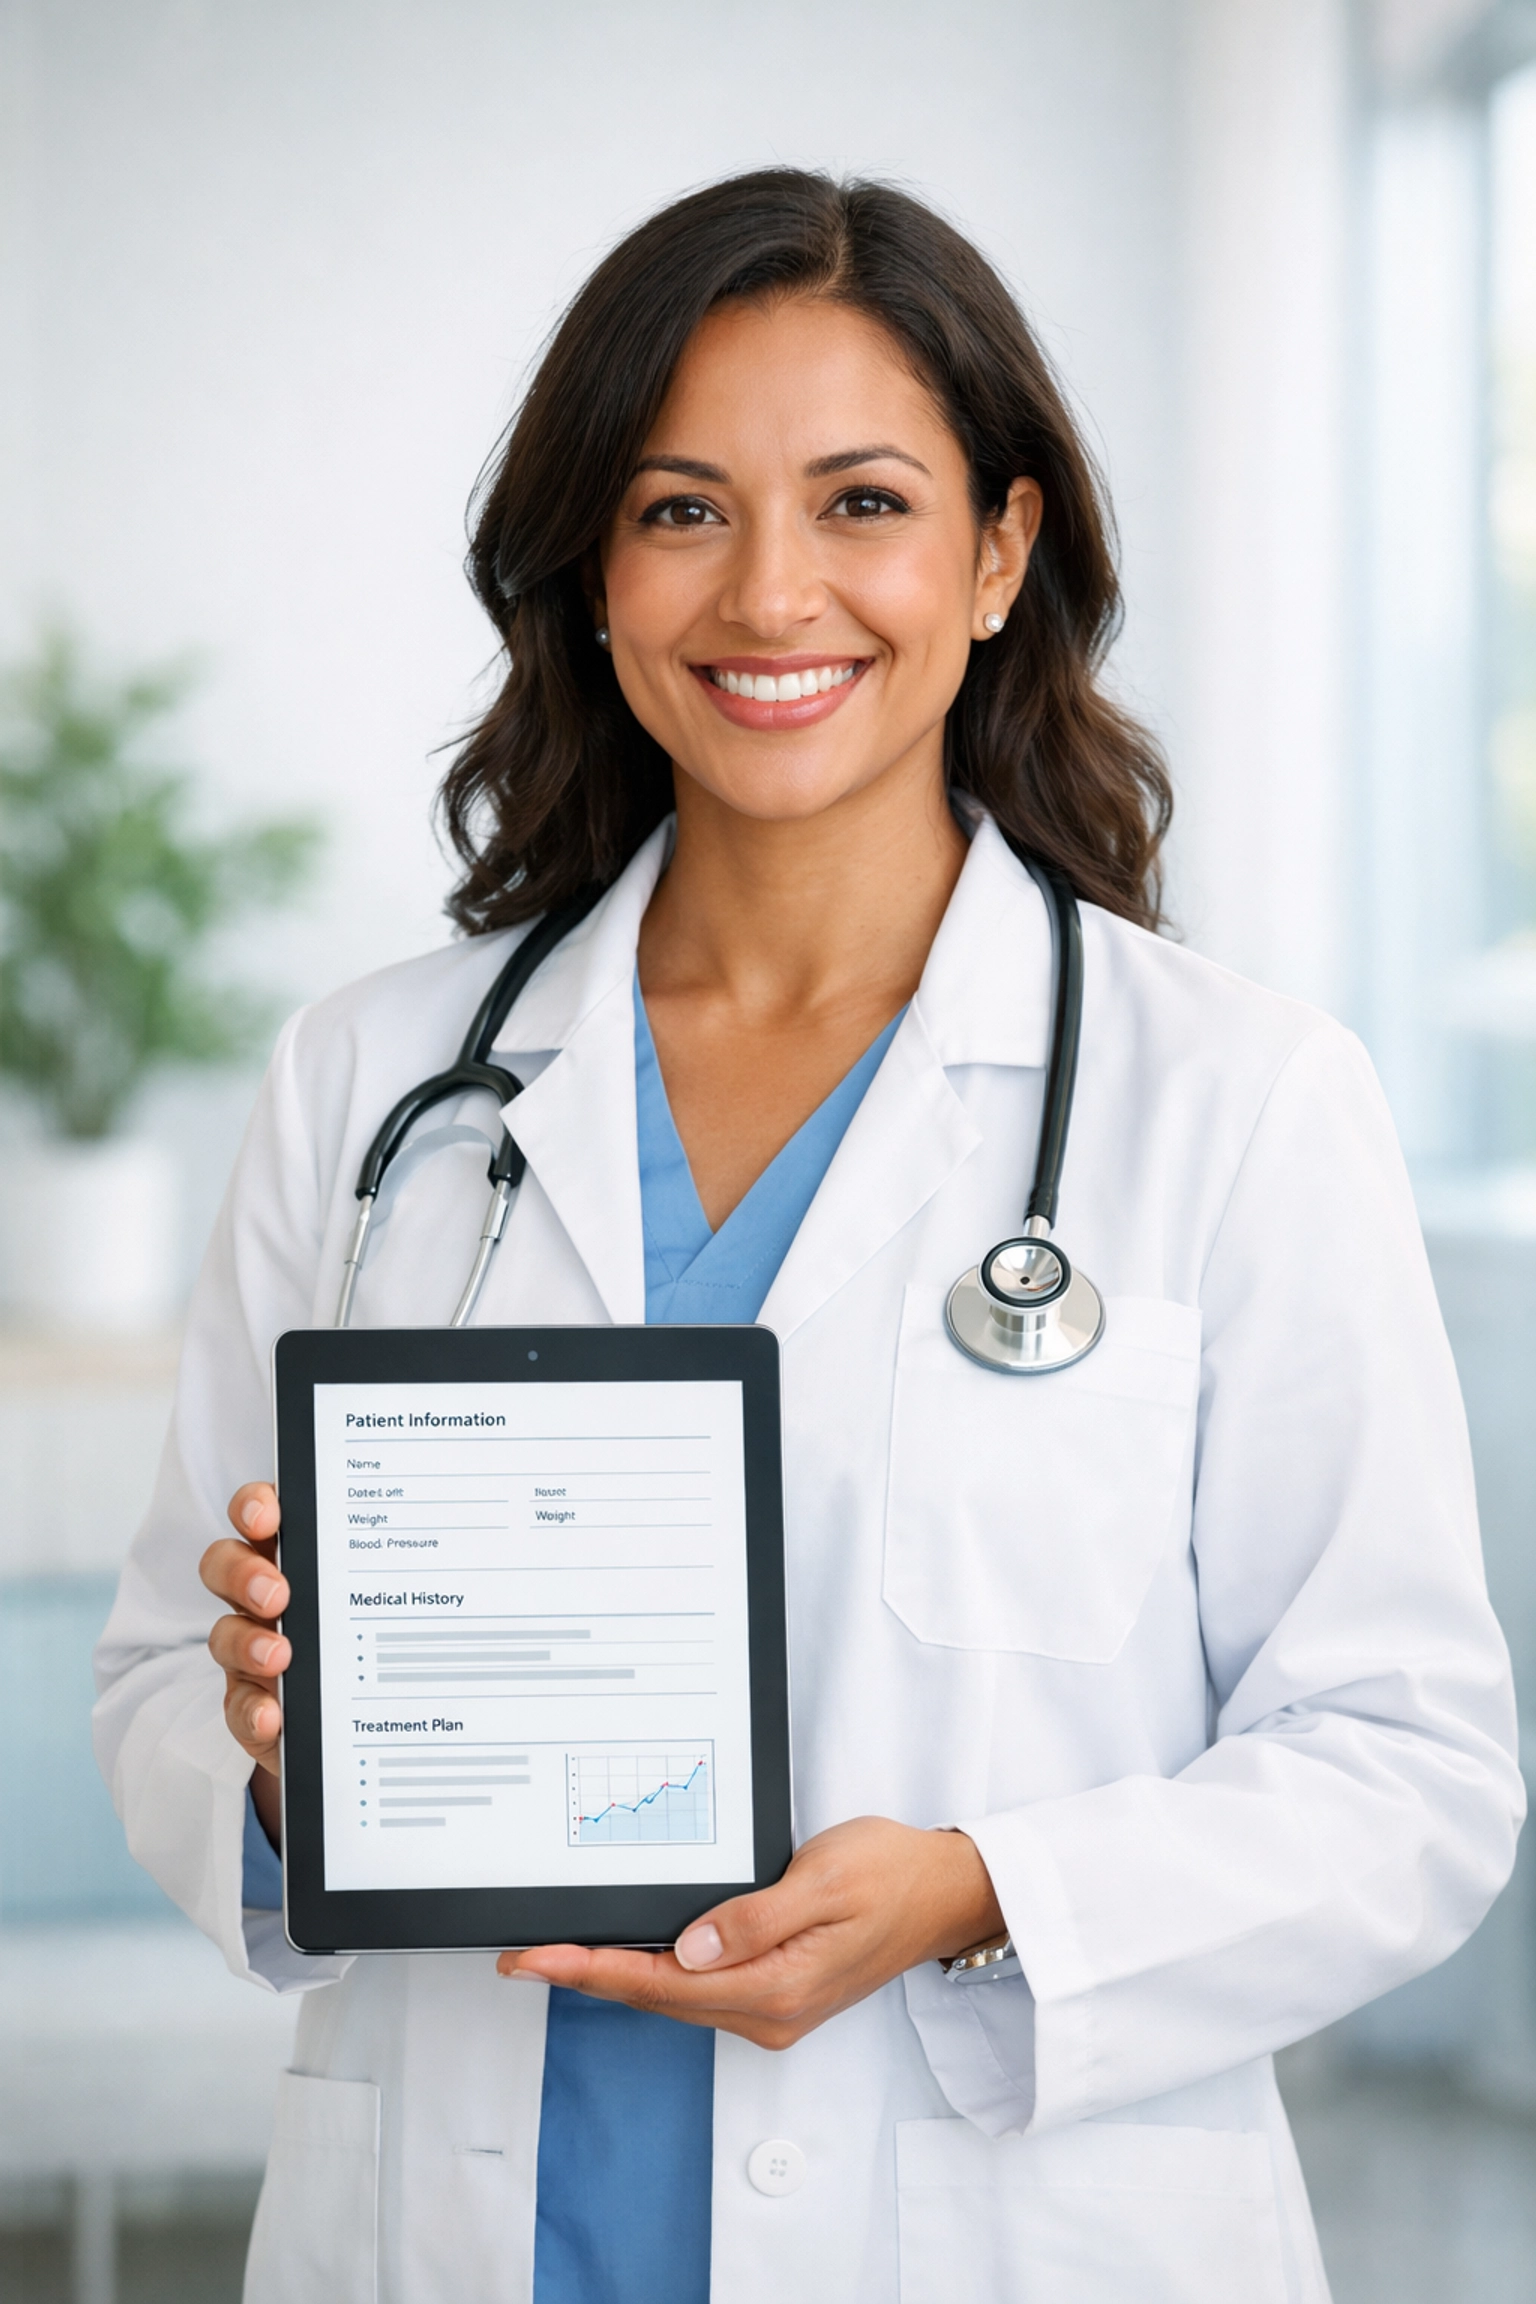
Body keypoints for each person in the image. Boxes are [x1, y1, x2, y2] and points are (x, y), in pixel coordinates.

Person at [94, 169, 1522, 2304]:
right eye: (681, 510)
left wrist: (976, 1892)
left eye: (862, 502)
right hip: (466, 2229)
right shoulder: (373, 1084)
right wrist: (298, 1775)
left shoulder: (1229, 1100)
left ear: (999, 553)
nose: (772, 594)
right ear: (589, 567)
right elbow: (150, 1687)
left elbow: (1410, 1778)